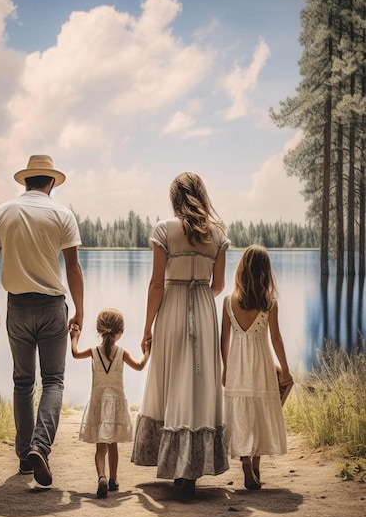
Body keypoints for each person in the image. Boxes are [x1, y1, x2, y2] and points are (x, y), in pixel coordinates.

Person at [0, 154, 84, 488]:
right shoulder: (62, 213)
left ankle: (26, 454)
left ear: (26, 181)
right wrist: (80, 310)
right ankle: (41, 445)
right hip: (53, 307)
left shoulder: (2, 212)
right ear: (51, 183)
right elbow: (73, 268)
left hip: (17, 306)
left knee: (23, 382)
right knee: (53, 380)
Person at [131, 172, 230, 498]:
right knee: (198, 384)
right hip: (203, 308)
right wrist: (199, 297)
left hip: (172, 307)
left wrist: (147, 326)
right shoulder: (218, 234)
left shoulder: (164, 230)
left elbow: (157, 284)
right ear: (202, 195)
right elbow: (218, 286)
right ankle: (193, 467)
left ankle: (173, 462)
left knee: (169, 378)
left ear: (175, 198)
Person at [220, 245, 293, 490]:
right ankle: (257, 466)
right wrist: (285, 369)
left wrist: (225, 368)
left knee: (241, 414)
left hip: (237, 367)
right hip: (261, 366)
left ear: (241, 270)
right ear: (266, 272)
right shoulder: (269, 304)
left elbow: (224, 340)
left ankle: (245, 460)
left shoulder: (229, 302)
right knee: (261, 412)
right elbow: (276, 339)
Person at [70, 308, 150, 498]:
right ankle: (113, 480)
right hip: (115, 405)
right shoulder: (122, 353)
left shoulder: (93, 351)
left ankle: (102, 477)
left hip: (98, 402)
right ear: (120, 332)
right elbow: (139, 366)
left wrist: (74, 336)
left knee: (100, 447)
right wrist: (147, 351)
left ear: (99, 329)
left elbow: (74, 353)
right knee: (113, 445)